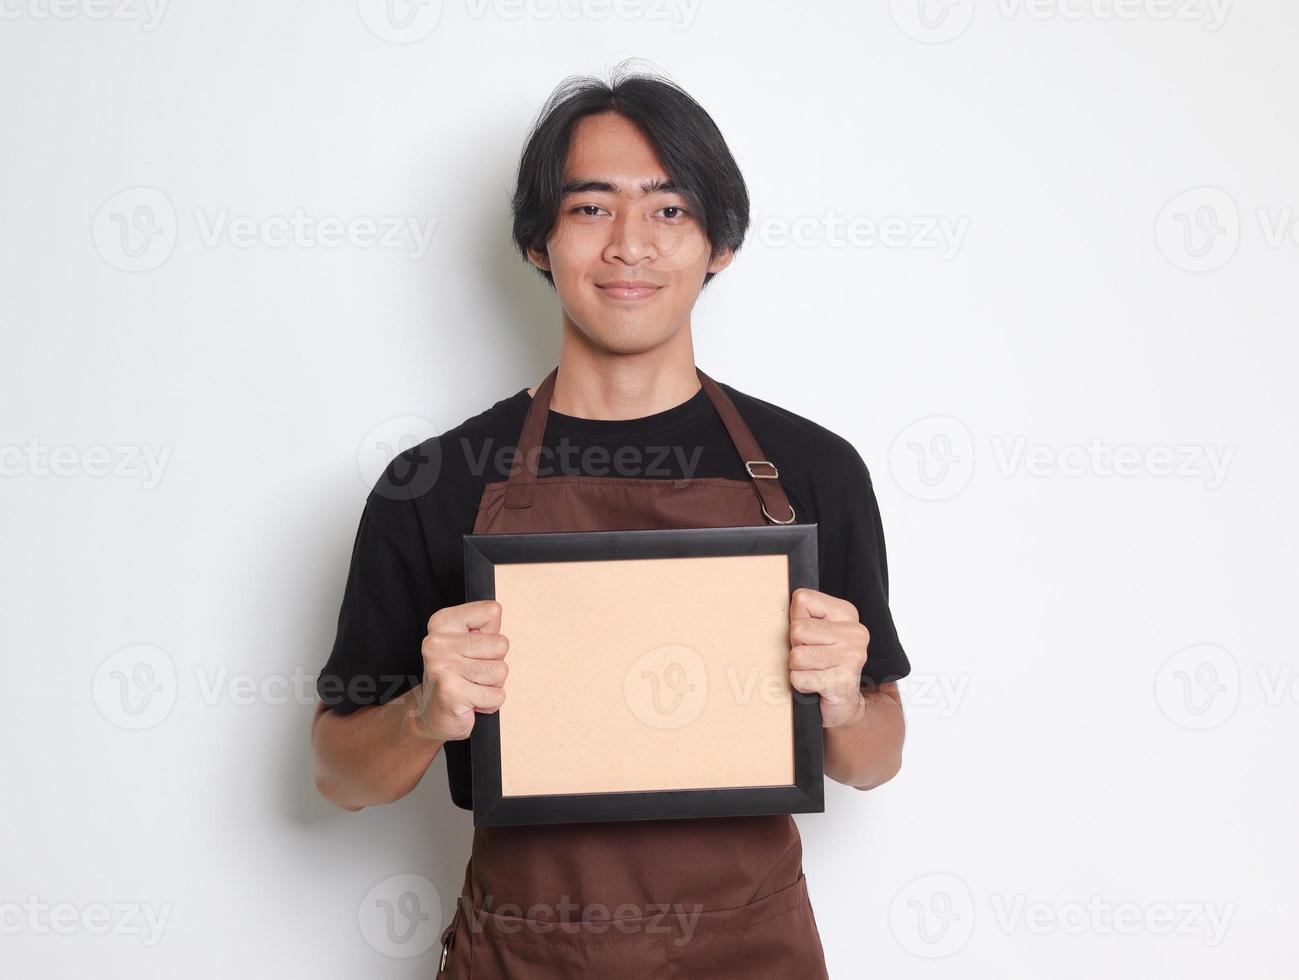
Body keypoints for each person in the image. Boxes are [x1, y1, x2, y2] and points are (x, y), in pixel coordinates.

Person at [311, 64, 910, 978]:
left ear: (721, 243)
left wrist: (842, 701)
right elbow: (340, 776)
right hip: (525, 955)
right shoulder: (429, 483)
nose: (631, 245)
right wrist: (425, 715)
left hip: (753, 953)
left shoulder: (815, 471)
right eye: (591, 208)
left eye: (669, 210)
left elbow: (874, 760)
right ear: (537, 242)